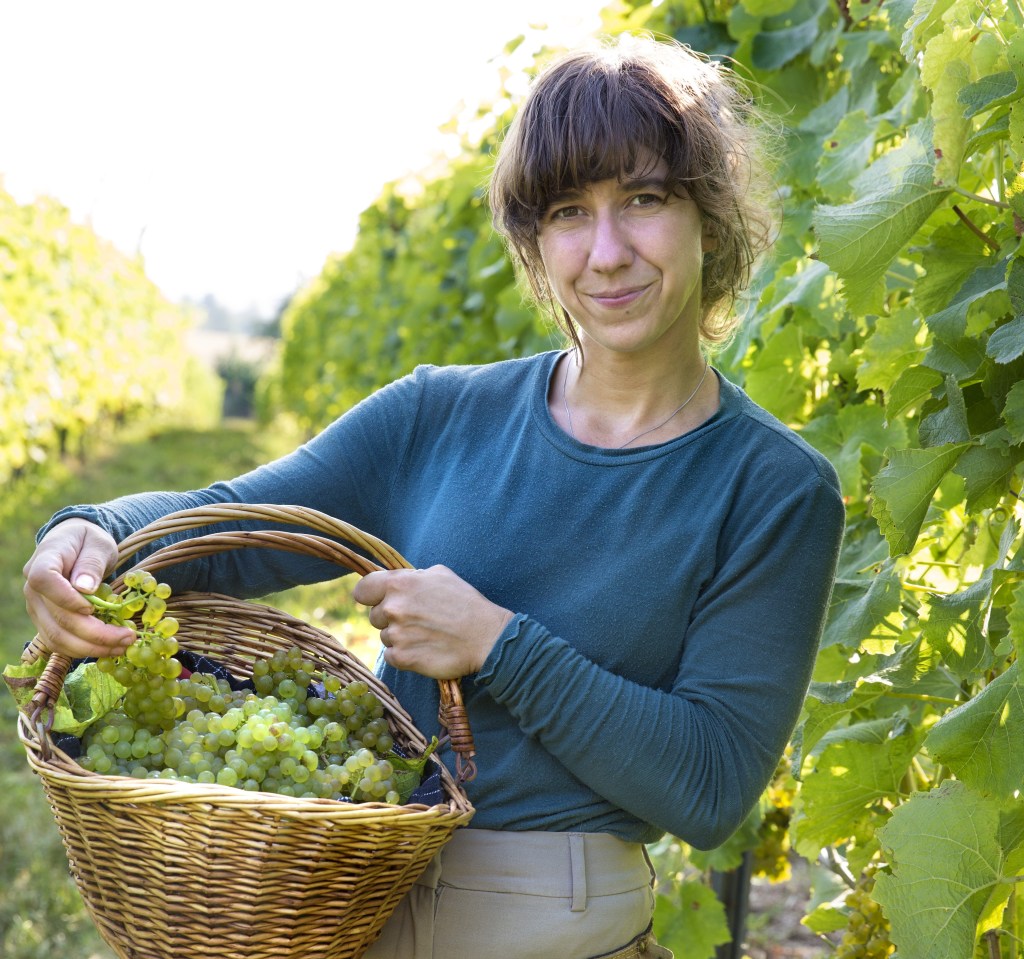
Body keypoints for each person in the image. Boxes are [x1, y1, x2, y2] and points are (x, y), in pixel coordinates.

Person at [22, 34, 845, 959]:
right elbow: (235, 523)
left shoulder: (773, 488)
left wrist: (497, 643)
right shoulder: (439, 413)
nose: (606, 252)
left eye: (644, 200)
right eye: (569, 212)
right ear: (535, 239)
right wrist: (91, 532)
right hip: (350, 897)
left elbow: (707, 786)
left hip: (550, 924)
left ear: (711, 215)